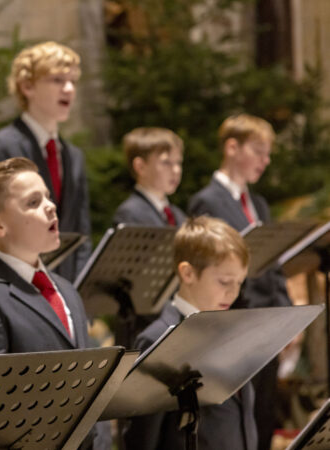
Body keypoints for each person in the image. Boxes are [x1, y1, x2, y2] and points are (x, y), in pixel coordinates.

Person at [0, 157, 111, 449]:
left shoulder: (66, 290)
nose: (50, 207)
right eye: (33, 202)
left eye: (48, 197)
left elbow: (94, 385)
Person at [188, 113, 291, 449]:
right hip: (240, 322)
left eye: (268, 153)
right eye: (259, 150)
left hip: (269, 324)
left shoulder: (257, 203)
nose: (266, 159)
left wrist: (288, 317)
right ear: (233, 147)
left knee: (263, 415)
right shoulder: (209, 200)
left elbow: (274, 265)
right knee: (240, 419)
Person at [123, 216, 256, 450]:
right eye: (225, 282)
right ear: (188, 274)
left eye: (240, 282)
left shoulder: (232, 330)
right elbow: (142, 438)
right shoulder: (158, 339)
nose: (234, 293)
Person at [0, 41, 90, 281]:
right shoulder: (1, 147)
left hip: (65, 288)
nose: (68, 89)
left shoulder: (73, 156)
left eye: (72, 81)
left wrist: (78, 295)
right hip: (18, 287)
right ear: (27, 86)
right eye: (57, 80)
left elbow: (81, 232)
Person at [113, 127, 186, 227]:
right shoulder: (130, 214)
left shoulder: (178, 215)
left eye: (178, 162)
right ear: (140, 167)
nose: (176, 170)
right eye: (166, 162)